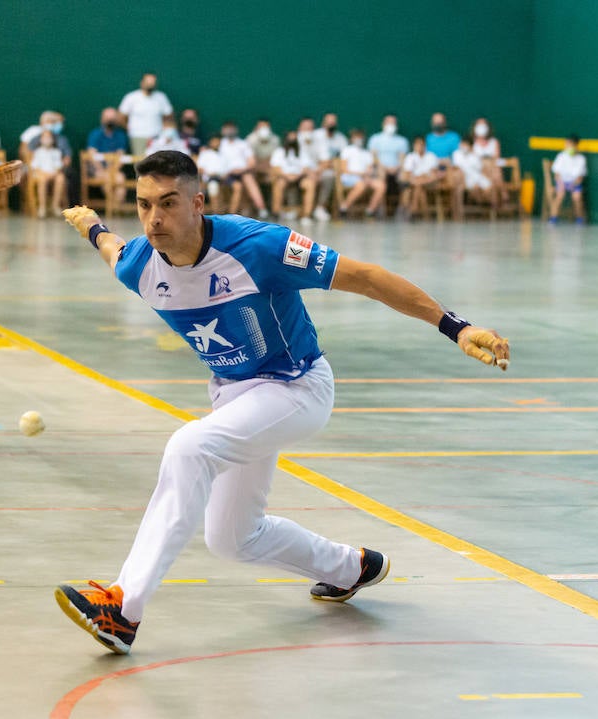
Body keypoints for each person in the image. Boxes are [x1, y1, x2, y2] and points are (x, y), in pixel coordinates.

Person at [55, 151, 509, 654]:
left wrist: (456, 326)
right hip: (234, 397)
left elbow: (366, 277)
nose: (154, 218)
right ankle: (349, 568)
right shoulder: (140, 265)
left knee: (189, 448)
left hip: (297, 387)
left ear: (198, 203)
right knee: (232, 538)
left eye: (168, 203)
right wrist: (94, 228)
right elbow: (115, 250)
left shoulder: (260, 247)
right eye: (143, 205)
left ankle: (123, 609)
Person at [216, 120, 268, 218]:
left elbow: (252, 163)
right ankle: (231, 215)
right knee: (238, 186)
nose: (230, 131)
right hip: (225, 174)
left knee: (248, 178)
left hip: (243, 172)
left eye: (232, 128)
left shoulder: (243, 144)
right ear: (223, 130)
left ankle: (261, 208)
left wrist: (241, 170)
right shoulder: (219, 144)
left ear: (236, 130)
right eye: (227, 128)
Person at [118, 72, 172, 157]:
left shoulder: (161, 97)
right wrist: (128, 128)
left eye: (152, 82)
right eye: (148, 81)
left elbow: (168, 116)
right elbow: (121, 116)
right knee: (141, 163)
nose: (150, 84)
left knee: (158, 162)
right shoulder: (131, 97)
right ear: (142, 83)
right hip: (138, 136)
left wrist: (166, 132)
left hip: (157, 136)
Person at [85, 106, 129, 206]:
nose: (110, 120)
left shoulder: (120, 135)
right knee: (107, 178)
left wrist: (112, 170)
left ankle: (117, 207)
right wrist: (102, 170)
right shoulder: (95, 134)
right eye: (108, 118)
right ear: (102, 119)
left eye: (113, 118)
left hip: (113, 169)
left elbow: (120, 156)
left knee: (120, 178)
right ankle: (113, 208)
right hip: (97, 169)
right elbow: (91, 154)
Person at [337, 128, 385, 217]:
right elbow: (343, 169)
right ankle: (344, 207)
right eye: (356, 137)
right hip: (349, 177)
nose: (359, 139)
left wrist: (367, 176)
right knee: (361, 185)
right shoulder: (347, 150)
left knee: (381, 185)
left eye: (360, 137)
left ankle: (370, 210)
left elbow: (369, 169)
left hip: (365, 178)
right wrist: (360, 175)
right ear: (352, 138)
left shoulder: (367, 153)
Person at [269, 130, 316, 221]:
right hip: (284, 177)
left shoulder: (302, 152)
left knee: (310, 184)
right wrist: (287, 176)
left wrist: (297, 176)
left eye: (294, 138)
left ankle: (306, 215)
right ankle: (276, 212)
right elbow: (276, 168)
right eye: (290, 137)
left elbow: (306, 167)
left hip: (300, 177)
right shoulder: (279, 152)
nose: (292, 140)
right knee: (279, 184)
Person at [448, 136, 498, 218]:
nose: (463, 146)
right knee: (467, 188)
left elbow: (479, 169)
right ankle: (460, 212)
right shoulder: (456, 154)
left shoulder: (475, 155)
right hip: (462, 178)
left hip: (476, 176)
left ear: (470, 146)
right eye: (462, 144)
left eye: (465, 144)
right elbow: (456, 168)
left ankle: (488, 206)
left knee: (489, 187)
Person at [367, 114, 408, 211]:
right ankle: (380, 208)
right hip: (380, 169)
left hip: (396, 170)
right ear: (383, 124)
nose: (390, 125)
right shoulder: (375, 139)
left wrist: (396, 168)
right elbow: (374, 158)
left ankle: (403, 208)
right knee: (381, 173)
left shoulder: (402, 141)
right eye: (388, 122)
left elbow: (402, 159)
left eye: (393, 123)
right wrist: (384, 167)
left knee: (405, 177)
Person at [399, 135, 442, 217]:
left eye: (421, 144)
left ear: (425, 145)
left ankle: (413, 210)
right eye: (417, 144)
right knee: (419, 188)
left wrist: (422, 178)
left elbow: (433, 175)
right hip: (414, 182)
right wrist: (417, 179)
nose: (419, 147)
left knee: (418, 184)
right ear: (414, 145)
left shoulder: (431, 156)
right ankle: (418, 212)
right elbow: (407, 174)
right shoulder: (410, 157)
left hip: (429, 182)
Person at [548, 134, 587, 224]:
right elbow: (556, 174)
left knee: (577, 197)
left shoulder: (581, 159)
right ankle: (553, 217)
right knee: (559, 195)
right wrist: (561, 185)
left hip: (575, 183)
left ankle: (579, 218)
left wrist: (574, 184)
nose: (568, 147)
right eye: (567, 144)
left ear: (576, 146)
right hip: (561, 182)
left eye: (571, 145)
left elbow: (580, 177)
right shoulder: (561, 156)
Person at [30, 129, 66, 216]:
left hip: (53, 174)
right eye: (44, 137)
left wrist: (54, 173)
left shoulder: (56, 152)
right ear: (41, 139)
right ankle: (42, 207)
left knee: (61, 178)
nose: (47, 139)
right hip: (40, 174)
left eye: (49, 137)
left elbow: (58, 166)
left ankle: (55, 205)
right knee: (42, 179)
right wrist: (44, 174)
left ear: (53, 140)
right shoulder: (37, 152)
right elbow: (35, 166)